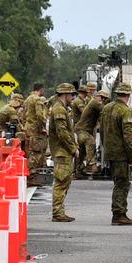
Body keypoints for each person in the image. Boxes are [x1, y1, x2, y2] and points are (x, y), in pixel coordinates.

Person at [99, 83, 132, 225]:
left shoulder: (106, 108)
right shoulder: (124, 110)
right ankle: (119, 214)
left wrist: (106, 148)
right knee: (122, 183)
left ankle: (119, 212)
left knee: (118, 182)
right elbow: (128, 135)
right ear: (128, 95)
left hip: (110, 151)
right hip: (121, 153)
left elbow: (102, 131)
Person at [47, 83, 79, 221]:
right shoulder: (59, 109)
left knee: (65, 181)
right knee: (61, 182)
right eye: (71, 94)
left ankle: (59, 211)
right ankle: (57, 213)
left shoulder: (62, 108)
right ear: (65, 94)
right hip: (62, 151)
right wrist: (73, 148)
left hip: (63, 151)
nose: (73, 97)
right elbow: (62, 132)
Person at [75, 87, 107, 177]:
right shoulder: (94, 102)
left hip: (83, 129)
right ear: (99, 96)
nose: (103, 100)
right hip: (82, 130)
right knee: (90, 141)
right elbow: (105, 111)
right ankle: (92, 165)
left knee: (82, 152)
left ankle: (78, 170)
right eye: (103, 98)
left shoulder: (94, 103)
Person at [21, 83, 48, 179]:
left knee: (29, 150)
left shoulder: (27, 99)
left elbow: (23, 115)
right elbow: (40, 116)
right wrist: (42, 128)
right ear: (41, 89)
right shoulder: (37, 100)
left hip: (27, 127)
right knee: (36, 151)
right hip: (35, 129)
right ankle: (32, 174)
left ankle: (28, 172)